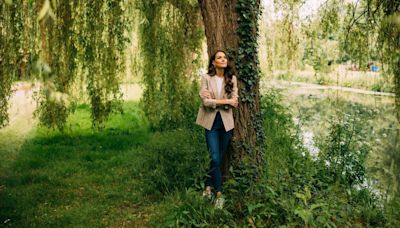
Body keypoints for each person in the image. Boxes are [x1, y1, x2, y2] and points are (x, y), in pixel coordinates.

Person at [195, 50, 238, 209]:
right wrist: (225, 101)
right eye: (219, 57)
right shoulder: (206, 78)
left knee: (218, 158)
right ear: (213, 62)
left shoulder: (231, 78)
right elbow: (206, 103)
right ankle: (219, 194)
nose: (223, 59)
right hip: (211, 123)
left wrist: (215, 100)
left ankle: (207, 187)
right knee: (214, 157)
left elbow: (235, 100)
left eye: (224, 57)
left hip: (226, 124)